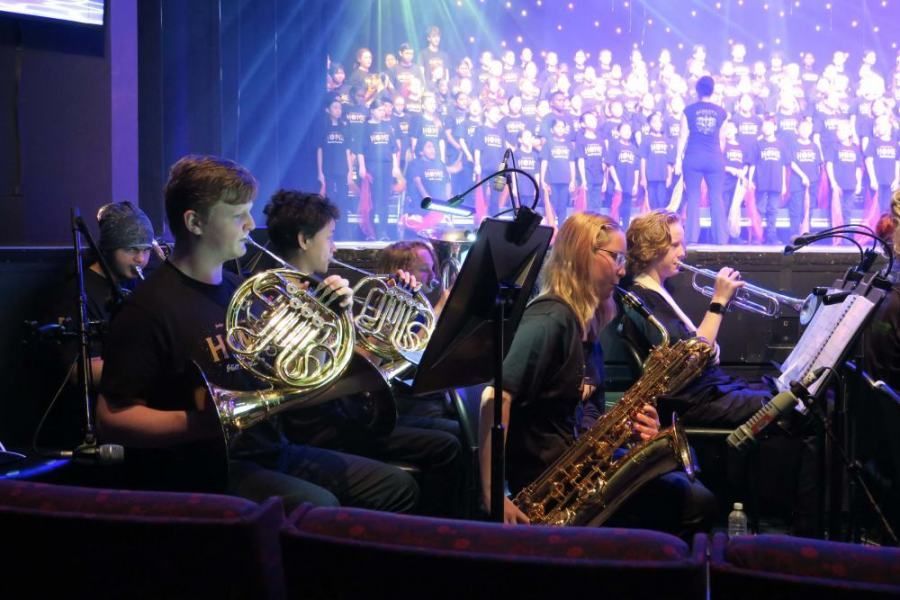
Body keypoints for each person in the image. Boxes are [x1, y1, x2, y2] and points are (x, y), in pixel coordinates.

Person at [97, 155, 419, 514]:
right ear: (195, 222)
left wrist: (335, 320)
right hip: (204, 467)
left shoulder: (245, 291)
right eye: (238, 215)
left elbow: (288, 378)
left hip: (270, 449)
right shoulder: (149, 308)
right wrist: (202, 423)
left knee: (397, 487)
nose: (251, 224)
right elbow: (112, 418)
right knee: (320, 506)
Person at [478, 211, 716, 537]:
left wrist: (629, 430)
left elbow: (581, 406)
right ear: (581, 256)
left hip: (579, 470)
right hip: (546, 487)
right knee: (692, 501)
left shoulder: (586, 323)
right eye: (615, 257)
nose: (622, 268)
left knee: (690, 487)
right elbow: (494, 397)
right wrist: (494, 493)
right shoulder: (550, 319)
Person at [261, 190, 464, 517]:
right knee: (448, 446)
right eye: (329, 238)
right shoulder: (281, 297)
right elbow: (332, 368)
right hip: (323, 429)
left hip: (348, 414)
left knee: (454, 435)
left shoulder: (316, 288)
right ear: (303, 240)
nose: (335, 247)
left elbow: (368, 354)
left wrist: (397, 303)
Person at [619, 209, 820, 535]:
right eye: (676, 246)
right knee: (803, 410)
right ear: (654, 250)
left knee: (793, 396)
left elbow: (701, 351)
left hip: (711, 390)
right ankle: (806, 528)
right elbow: (692, 359)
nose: (683, 254)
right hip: (696, 400)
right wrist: (719, 302)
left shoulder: (657, 294)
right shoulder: (643, 299)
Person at [675, 75, 729, 244]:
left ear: (697, 91)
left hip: (693, 157)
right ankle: (721, 239)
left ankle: (691, 239)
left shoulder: (688, 111)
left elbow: (682, 137)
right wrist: (717, 156)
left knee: (693, 197)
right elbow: (722, 140)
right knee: (716, 197)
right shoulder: (722, 112)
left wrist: (678, 160)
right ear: (712, 90)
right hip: (714, 158)